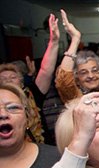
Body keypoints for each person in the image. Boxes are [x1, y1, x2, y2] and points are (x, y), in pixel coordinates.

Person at [0, 13, 60, 144]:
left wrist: (54, 42)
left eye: (13, 77)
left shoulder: (32, 94)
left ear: (21, 80)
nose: (9, 80)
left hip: (40, 149)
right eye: (4, 78)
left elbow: (45, 71)